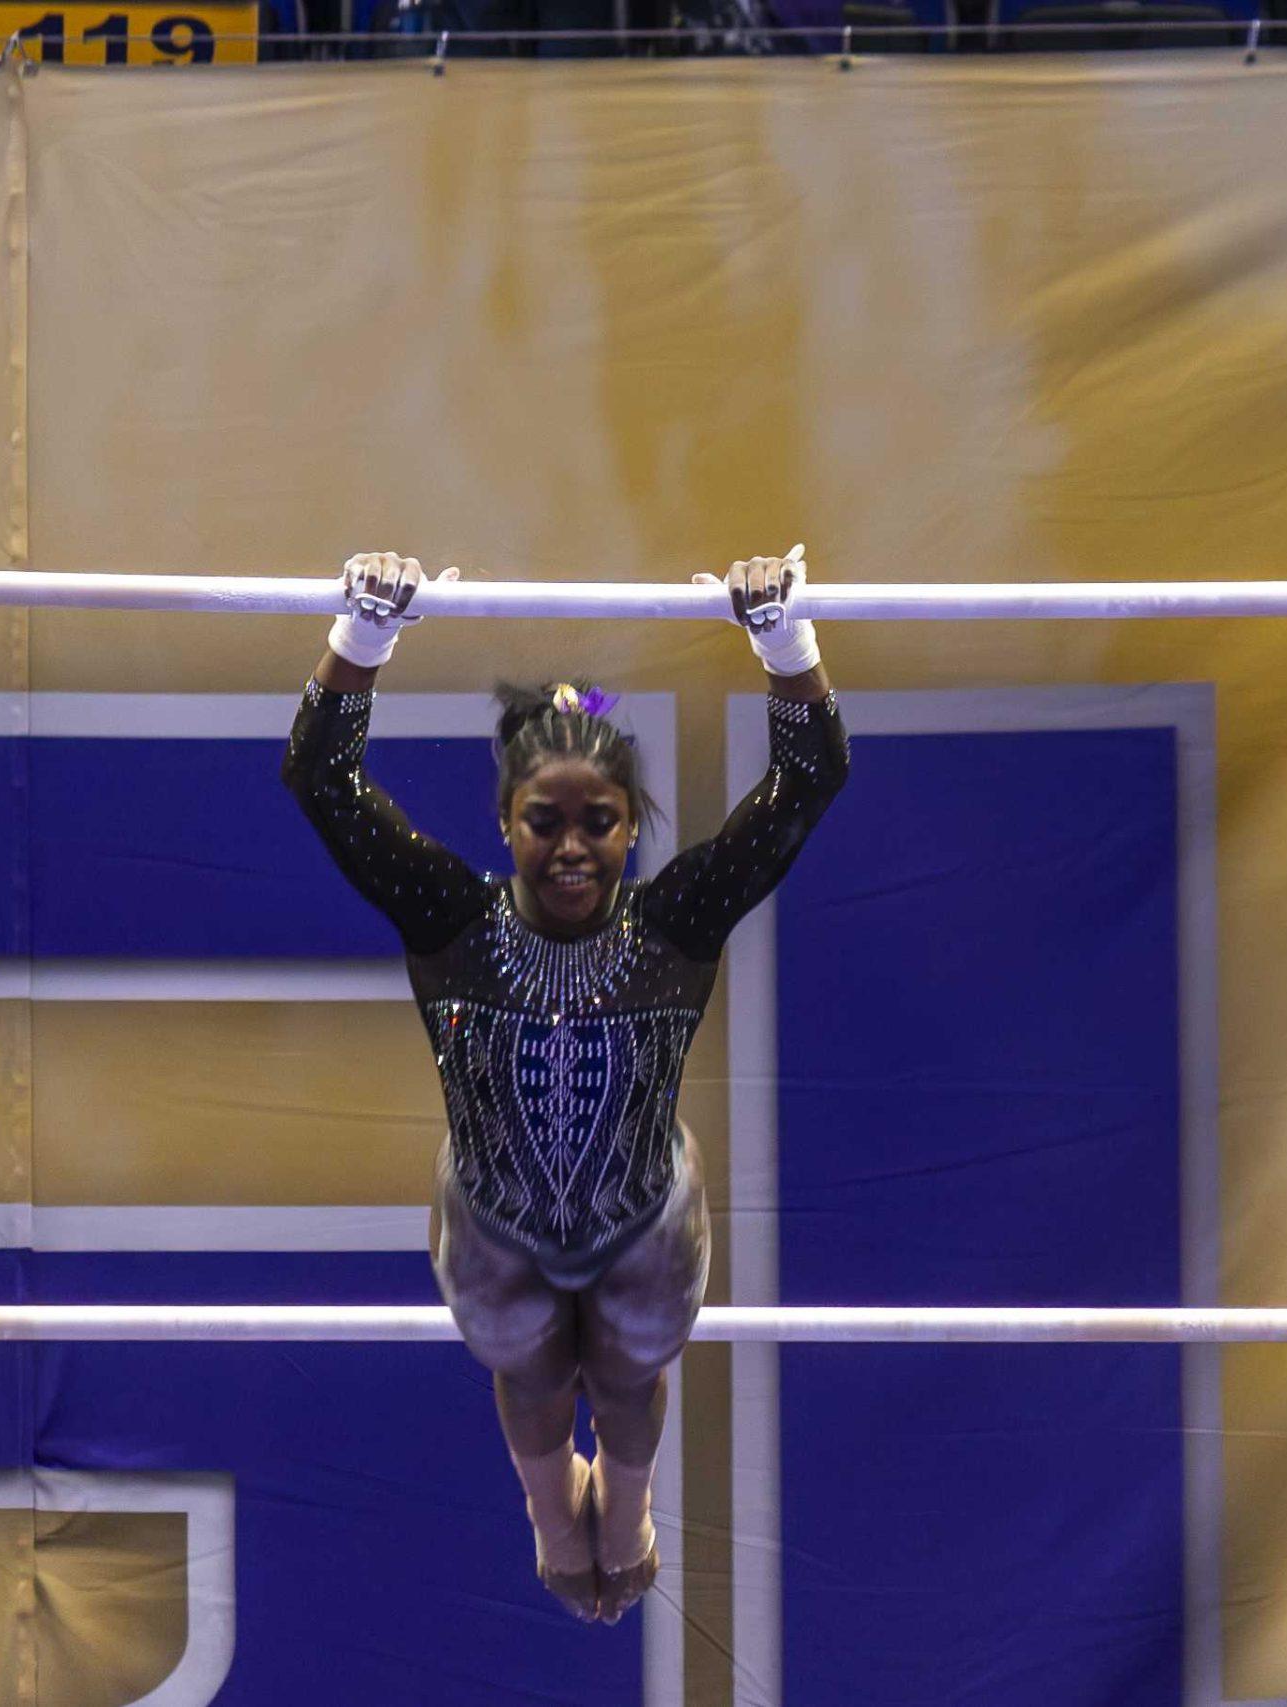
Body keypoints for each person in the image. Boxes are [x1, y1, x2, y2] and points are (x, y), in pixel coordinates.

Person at [282, 549, 847, 1623]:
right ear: (506, 825)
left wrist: (782, 637)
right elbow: (320, 781)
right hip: (493, 1219)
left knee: (633, 1350)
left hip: (642, 1217)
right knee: (520, 1347)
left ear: (633, 827)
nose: (573, 847)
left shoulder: (676, 922)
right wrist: (364, 633)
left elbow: (809, 779)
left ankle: (624, 1514)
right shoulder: (449, 917)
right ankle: (553, 1516)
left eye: (600, 822)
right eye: (547, 821)